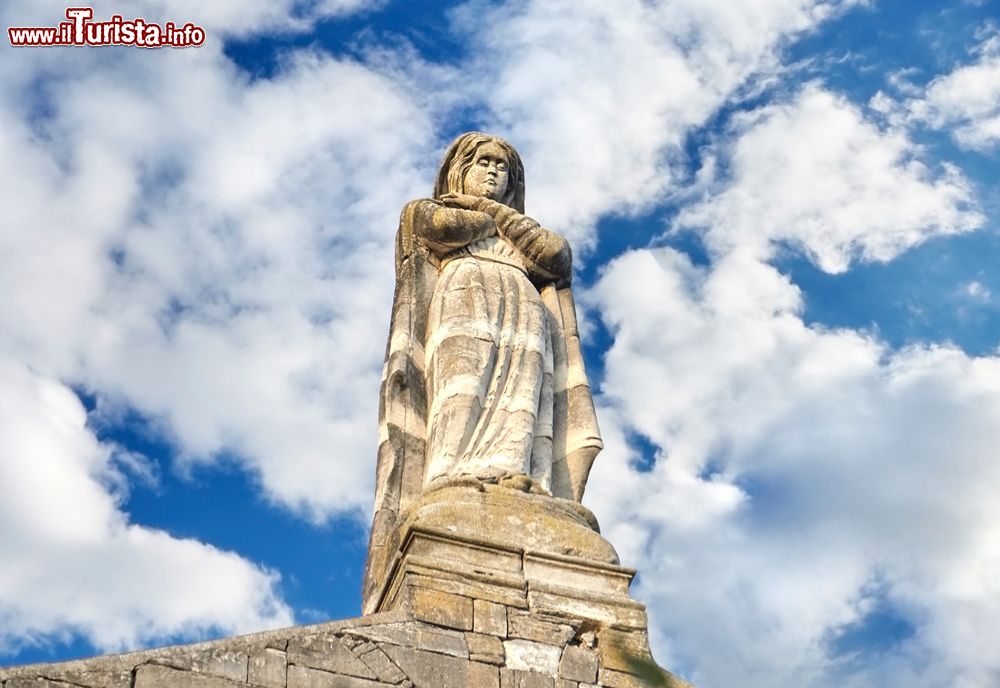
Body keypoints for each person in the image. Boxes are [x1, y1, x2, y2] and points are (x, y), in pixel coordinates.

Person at [363, 133, 602, 609]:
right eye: (484, 163)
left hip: (524, 303)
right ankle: (452, 474)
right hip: (464, 290)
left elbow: (556, 255)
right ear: (460, 168)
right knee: (461, 389)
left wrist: (499, 218)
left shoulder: (517, 226)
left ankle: (516, 474)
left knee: (523, 395)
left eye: (503, 169)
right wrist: (502, 221)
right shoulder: (423, 211)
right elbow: (446, 227)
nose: (493, 173)